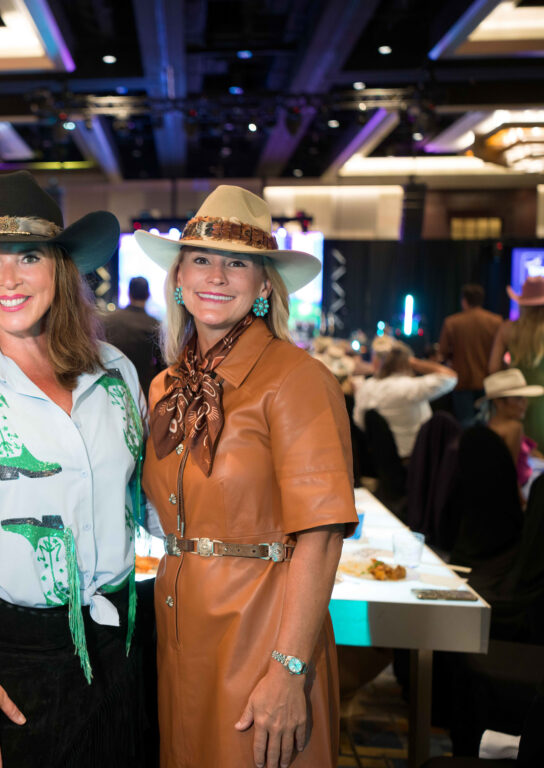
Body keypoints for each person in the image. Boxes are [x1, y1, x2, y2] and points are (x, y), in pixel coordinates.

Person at [0, 171, 146, 768]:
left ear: (60, 269)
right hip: (10, 654)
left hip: (120, 638)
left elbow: (145, 496)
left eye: (29, 257)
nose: (7, 279)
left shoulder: (115, 369)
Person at [135, 185, 358, 768]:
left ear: (264, 286)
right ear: (179, 277)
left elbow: (321, 535)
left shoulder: (298, 379)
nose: (216, 276)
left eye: (237, 263)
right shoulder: (164, 387)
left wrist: (289, 669)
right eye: (201, 259)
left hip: (263, 631)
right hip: (180, 624)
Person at [353, 337, 457, 459]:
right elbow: (450, 377)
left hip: (378, 459)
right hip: (414, 459)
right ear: (404, 361)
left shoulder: (365, 387)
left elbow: (359, 423)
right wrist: (413, 361)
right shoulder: (408, 387)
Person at [490, 276, 544, 446]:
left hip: (516, 401)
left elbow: (493, 368)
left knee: (520, 451)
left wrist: (511, 372)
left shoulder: (507, 328)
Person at [439, 283, 502, 425]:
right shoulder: (496, 321)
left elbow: (442, 352)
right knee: (488, 424)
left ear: (464, 301)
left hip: (462, 382)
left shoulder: (452, 322)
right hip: (488, 382)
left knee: (465, 425)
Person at [481, 368, 544, 495]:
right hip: (524, 487)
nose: (525, 402)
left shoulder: (490, 426)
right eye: (518, 398)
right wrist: (521, 501)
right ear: (499, 402)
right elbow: (511, 471)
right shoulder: (514, 428)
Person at [101, 275, 164, 396]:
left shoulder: (109, 320)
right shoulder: (155, 325)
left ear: (129, 294)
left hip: (113, 387)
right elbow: (162, 365)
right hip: (144, 390)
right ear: (148, 295)